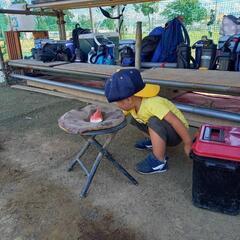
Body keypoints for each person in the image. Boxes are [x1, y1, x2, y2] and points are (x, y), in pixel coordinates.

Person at [104, 68, 192, 174]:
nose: (118, 105)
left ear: (129, 99)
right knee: (134, 119)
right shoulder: (133, 105)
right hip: (165, 129)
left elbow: (175, 121)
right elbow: (120, 115)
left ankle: (159, 161)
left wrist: (188, 143)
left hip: (176, 134)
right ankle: (154, 142)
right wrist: (105, 119)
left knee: (153, 121)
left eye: (118, 102)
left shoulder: (153, 104)